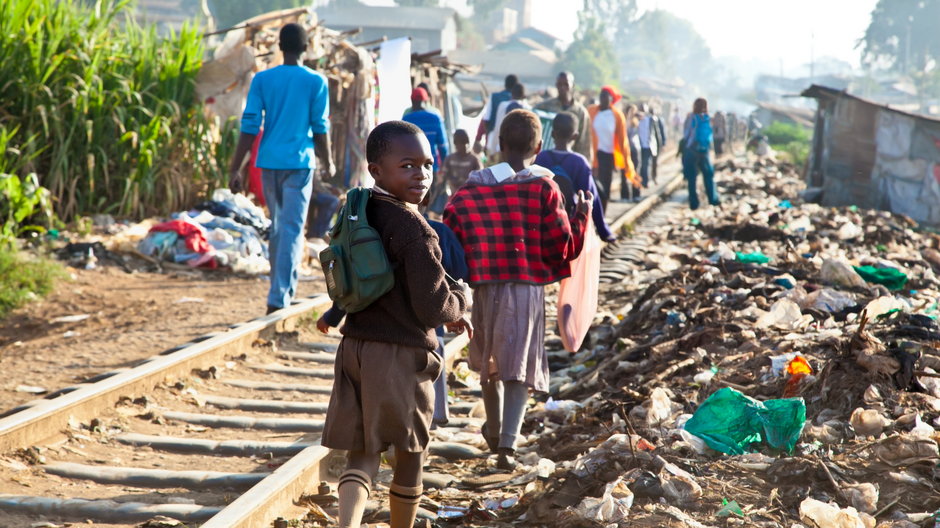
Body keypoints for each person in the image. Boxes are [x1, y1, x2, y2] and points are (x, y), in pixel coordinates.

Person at [320, 121, 472, 528]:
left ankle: (347, 524)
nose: (421, 175)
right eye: (407, 165)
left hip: (355, 349)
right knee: (409, 454)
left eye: (426, 165)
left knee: (363, 454)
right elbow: (431, 306)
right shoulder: (415, 229)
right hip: (399, 355)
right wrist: (461, 301)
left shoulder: (359, 209)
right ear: (377, 169)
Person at [444, 110, 590, 470]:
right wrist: (582, 216)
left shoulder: (472, 187)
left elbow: (451, 229)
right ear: (538, 147)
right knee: (517, 366)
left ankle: (493, 430)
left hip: (484, 287)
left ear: (499, 143)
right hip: (525, 288)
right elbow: (563, 246)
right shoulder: (545, 188)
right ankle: (507, 445)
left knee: (490, 360)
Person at [228, 23, 334, 315]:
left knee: (279, 228)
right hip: (299, 165)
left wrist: (235, 168)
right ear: (305, 48)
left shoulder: (263, 80)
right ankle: (279, 297)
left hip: (269, 163)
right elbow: (320, 127)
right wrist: (328, 160)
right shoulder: (316, 81)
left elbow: (249, 126)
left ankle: (282, 290)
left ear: (280, 47)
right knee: (289, 229)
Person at [535, 112, 615, 242]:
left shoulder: (541, 157)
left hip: (542, 222)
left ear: (552, 134)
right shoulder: (579, 162)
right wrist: (603, 230)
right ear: (575, 136)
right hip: (568, 222)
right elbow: (591, 198)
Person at [588, 86, 637, 208]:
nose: (602, 98)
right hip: (592, 155)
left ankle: (602, 213)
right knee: (591, 187)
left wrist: (626, 161)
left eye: (605, 95)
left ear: (611, 99)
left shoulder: (617, 116)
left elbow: (623, 140)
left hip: (607, 156)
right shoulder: (591, 111)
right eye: (601, 95)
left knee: (604, 188)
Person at [402, 87, 449, 214]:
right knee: (426, 198)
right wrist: (444, 169)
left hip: (409, 167)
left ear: (412, 101)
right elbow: (443, 146)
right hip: (430, 167)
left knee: (411, 200)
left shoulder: (407, 119)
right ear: (426, 101)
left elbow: (400, 145)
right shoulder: (435, 118)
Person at [535, 72, 593, 163]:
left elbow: (584, 141)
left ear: (572, 86)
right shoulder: (544, 107)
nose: (562, 87)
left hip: (570, 161)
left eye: (566, 84)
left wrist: (585, 164)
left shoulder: (581, 112)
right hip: (548, 159)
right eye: (559, 84)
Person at [681, 97, 719, 210]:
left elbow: (686, 133)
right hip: (704, 151)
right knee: (708, 176)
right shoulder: (708, 118)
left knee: (691, 178)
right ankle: (713, 199)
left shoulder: (691, 117)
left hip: (691, 150)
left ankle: (694, 203)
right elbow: (711, 135)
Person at [474, 74, 518, 155]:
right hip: (510, 145)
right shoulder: (518, 102)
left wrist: (483, 138)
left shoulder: (494, 97)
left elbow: (486, 120)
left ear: (505, 84)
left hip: (492, 141)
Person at [489, 83, 530, 156]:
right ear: (523, 96)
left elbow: (498, 128)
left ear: (512, 94)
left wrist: (493, 150)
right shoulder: (527, 109)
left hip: (502, 148)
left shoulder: (503, 105)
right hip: (520, 151)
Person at [441, 129, 482, 195]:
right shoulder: (449, 159)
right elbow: (442, 178)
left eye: (463, 143)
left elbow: (480, 179)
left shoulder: (474, 160)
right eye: (458, 144)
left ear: (468, 143)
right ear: (455, 144)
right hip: (454, 196)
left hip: (470, 196)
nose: (461, 146)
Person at [636, 103, 659, 189]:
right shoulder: (636, 120)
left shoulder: (650, 119)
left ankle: (645, 182)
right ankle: (641, 182)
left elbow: (656, 133)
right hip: (639, 146)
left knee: (645, 164)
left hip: (648, 146)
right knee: (640, 165)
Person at [648, 107, 667, 184]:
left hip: (655, 143)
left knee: (654, 161)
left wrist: (663, 143)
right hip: (652, 143)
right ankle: (652, 177)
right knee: (652, 161)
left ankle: (653, 176)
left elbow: (661, 132)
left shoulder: (658, 120)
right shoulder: (649, 120)